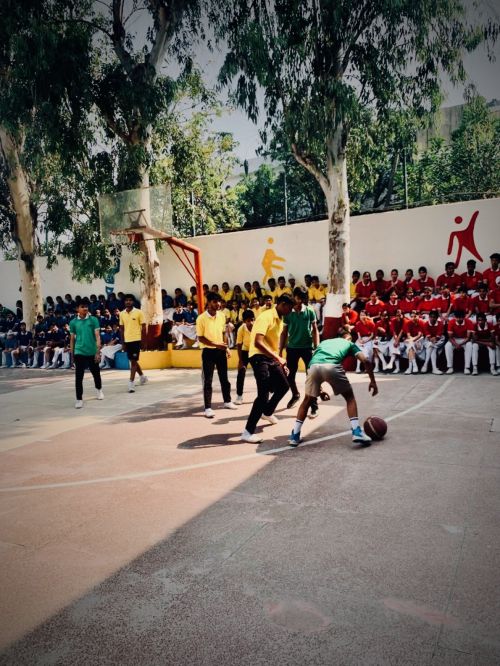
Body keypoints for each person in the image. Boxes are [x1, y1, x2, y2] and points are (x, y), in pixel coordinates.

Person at [288, 328, 378, 447]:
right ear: (348, 336)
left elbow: (317, 363)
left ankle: (295, 435)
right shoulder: (349, 343)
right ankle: (356, 431)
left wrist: (319, 390)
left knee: (307, 401)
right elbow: (365, 360)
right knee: (349, 398)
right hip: (332, 365)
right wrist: (372, 381)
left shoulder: (324, 343)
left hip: (313, 367)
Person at [240, 294, 294, 443]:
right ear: (283, 304)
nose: (290, 311)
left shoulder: (280, 318)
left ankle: (267, 412)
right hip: (258, 357)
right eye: (289, 308)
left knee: (283, 386)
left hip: (270, 357)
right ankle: (247, 432)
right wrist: (278, 358)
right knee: (263, 395)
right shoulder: (266, 317)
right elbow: (258, 343)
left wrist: (280, 362)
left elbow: (273, 344)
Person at [196, 291, 237, 418]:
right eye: (215, 302)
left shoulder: (222, 316)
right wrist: (216, 345)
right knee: (208, 380)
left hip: (220, 350)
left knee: (224, 378)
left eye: (219, 301)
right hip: (208, 352)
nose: (218, 304)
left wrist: (226, 348)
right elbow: (200, 338)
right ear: (208, 303)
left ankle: (227, 401)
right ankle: (207, 408)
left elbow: (223, 332)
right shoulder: (201, 318)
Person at [279, 287, 319, 411]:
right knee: (289, 376)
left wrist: (316, 347)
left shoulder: (310, 311)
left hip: (307, 348)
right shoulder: (288, 312)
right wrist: (280, 350)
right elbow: (284, 333)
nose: (300, 301)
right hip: (292, 348)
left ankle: (313, 404)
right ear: (293, 296)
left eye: (302, 298)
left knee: (311, 376)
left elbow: (315, 330)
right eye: (297, 297)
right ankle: (295, 394)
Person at [69, 300, 103, 409]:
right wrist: (72, 354)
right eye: (82, 306)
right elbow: (72, 339)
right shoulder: (73, 322)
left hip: (92, 351)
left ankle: (99, 390)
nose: (85, 308)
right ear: (77, 309)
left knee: (96, 373)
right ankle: (79, 399)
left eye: (86, 306)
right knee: (79, 377)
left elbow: (97, 336)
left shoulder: (93, 320)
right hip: (79, 351)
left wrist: (98, 351)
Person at [119, 294, 148, 393]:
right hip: (127, 341)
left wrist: (144, 341)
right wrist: (123, 343)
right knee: (133, 360)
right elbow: (121, 329)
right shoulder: (122, 314)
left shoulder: (139, 312)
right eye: (126, 300)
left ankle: (131, 382)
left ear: (133, 302)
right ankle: (142, 377)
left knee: (133, 362)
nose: (128, 302)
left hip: (136, 340)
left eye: (130, 300)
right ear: (124, 302)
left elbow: (144, 327)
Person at [235, 309, 255, 405]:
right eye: (248, 321)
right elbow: (239, 344)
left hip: (255, 351)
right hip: (245, 351)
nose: (250, 322)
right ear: (244, 321)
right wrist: (241, 360)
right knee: (241, 372)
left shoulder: (257, 326)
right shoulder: (241, 329)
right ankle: (239, 395)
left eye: (252, 320)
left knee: (261, 373)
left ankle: (267, 392)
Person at [444, 309, 474, 374]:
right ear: (455, 317)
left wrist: (460, 344)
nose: (459, 319)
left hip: (465, 339)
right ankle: (450, 367)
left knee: (469, 345)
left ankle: (467, 367)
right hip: (454, 339)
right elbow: (450, 337)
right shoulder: (451, 322)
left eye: (460, 317)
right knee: (447, 346)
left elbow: (468, 337)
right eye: (457, 317)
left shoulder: (469, 322)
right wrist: (455, 344)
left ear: (463, 317)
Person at [421, 310, 445, 374]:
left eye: (434, 317)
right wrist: (432, 340)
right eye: (431, 317)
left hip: (439, 340)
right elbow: (428, 337)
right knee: (432, 346)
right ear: (429, 317)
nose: (432, 318)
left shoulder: (440, 324)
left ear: (437, 318)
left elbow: (438, 337)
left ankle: (425, 365)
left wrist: (435, 339)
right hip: (429, 340)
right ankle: (434, 368)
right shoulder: (426, 324)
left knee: (431, 345)